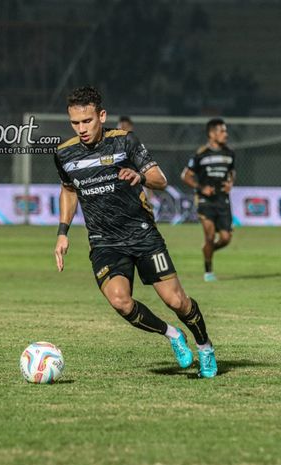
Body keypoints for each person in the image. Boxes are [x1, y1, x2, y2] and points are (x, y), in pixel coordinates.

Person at [53, 86, 217, 378]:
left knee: (176, 301)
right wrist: (63, 232)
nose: (81, 129)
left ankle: (204, 346)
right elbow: (68, 190)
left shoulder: (125, 142)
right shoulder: (65, 154)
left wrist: (139, 175)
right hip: (104, 241)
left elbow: (161, 179)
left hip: (141, 234)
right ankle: (172, 335)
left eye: (87, 121)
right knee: (120, 301)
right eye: (75, 123)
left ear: (101, 116)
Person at [181, 119, 236, 282]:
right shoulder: (201, 154)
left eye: (225, 131)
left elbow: (232, 172)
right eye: (222, 131)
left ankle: (207, 250)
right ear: (212, 134)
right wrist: (201, 188)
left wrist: (230, 183)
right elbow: (185, 176)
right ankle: (208, 271)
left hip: (222, 200)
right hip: (205, 200)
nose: (226, 134)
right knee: (210, 237)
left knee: (226, 239)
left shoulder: (230, 153)